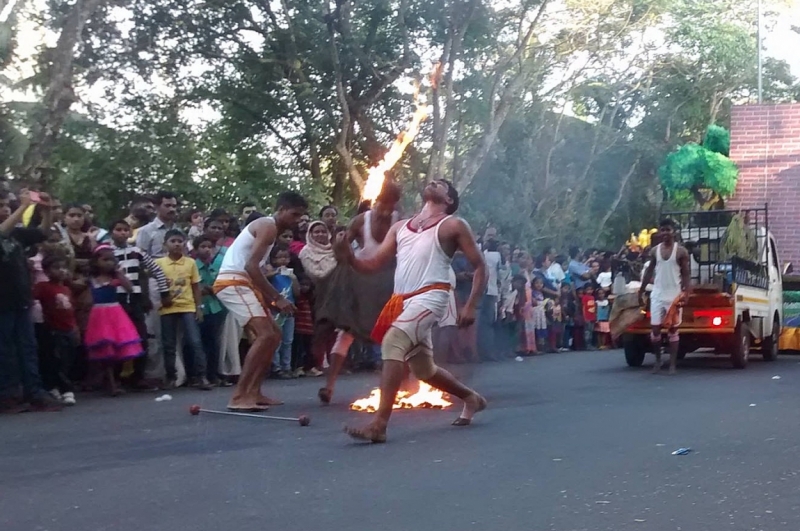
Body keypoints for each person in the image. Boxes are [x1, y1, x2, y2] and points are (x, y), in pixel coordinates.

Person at [334, 179, 487, 443]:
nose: (433, 182)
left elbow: (480, 267)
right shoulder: (400, 227)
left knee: (394, 342)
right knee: (424, 370)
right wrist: (347, 256)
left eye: (441, 184)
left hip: (432, 295)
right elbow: (371, 266)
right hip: (402, 301)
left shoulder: (453, 224)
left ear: (448, 200)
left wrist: (470, 304)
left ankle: (379, 425)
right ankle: (471, 398)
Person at [213, 192, 307, 411]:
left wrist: (272, 299)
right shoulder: (268, 226)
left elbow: (256, 269)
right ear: (281, 209)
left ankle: (254, 392)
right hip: (233, 282)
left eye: (300, 217)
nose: (296, 221)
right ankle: (238, 396)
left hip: (244, 284)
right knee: (266, 335)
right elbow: (251, 267)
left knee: (274, 335)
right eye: (294, 214)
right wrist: (277, 298)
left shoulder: (270, 229)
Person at [314, 181, 402, 404]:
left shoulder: (399, 222)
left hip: (387, 282)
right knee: (347, 332)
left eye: (390, 206)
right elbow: (340, 252)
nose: (385, 211)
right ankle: (329, 386)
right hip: (359, 280)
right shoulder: (361, 220)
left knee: (396, 334)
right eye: (382, 205)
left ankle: (397, 385)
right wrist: (340, 245)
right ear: (376, 201)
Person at [0, 190, 63, 413]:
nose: (5, 209)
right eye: (1, 206)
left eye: (7, 205)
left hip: (21, 299)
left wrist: (45, 211)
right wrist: (23, 207)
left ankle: (34, 392)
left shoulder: (17, 233)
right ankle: (8, 396)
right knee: (5, 350)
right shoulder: (7, 230)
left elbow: (42, 233)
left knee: (28, 348)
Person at [109, 219, 170, 389]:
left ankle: (138, 376)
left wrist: (164, 292)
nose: (122, 233)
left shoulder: (138, 252)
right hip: (115, 300)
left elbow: (157, 270)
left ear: (129, 232)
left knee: (140, 337)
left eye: (125, 230)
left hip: (135, 299)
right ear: (111, 232)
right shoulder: (107, 252)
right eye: (118, 229)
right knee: (118, 339)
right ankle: (116, 378)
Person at [84, 245, 145, 396]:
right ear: (96, 261)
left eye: (112, 260)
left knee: (116, 348)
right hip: (98, 315)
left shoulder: (115, 277)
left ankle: (113, 381)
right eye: (105, 260)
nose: (109, 263)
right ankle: (108, 381)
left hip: (115, 313)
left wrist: (120, 274)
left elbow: (130, 288)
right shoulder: (91, 279)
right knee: (105, 348)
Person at [155, 229, 212, 390]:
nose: (176, 244)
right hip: (167, 308)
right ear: (165, 244)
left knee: (195, 341)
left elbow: (195, 287)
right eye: (173, 241)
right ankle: (171, 377)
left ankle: (201, 376)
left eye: (180, 241)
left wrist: (199, 307)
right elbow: (151, 283)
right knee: (169, 344)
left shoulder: (190, 263)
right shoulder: (159, 264)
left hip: (187, 306)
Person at [639, 218, 691, 374]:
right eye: (663, 230)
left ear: (673, 231)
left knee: (673, 330)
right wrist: (641, 290)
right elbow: (649, 271)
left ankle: (672, 364)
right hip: (658, 294)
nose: (665, 233)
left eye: (668, 230)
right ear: (660, 232)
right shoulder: (654, 251)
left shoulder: (681, 251)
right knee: (655, 329)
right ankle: (658, 360)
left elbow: (686, 274)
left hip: (674, 295)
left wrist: (686, 292)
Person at [33, 253, 79, 405]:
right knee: (55, 360)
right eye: (56, 268)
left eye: (63, 268)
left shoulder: (66, 289)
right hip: (53, 329)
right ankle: (65, 389)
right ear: (46, 271)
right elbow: (32, 298)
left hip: (69, 329)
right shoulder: (43, 287)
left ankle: (58, 386)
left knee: (67, 360)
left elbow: (72, 311)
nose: (61, 271)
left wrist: (75, 328)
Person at [194, 234, 229, 386]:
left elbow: (220, 286)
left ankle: (213, 374)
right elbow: (195, 289)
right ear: (195, 249)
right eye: (203, 247)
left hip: (215, 307)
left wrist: (210, 289)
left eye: (209, 247)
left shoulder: (216, 266)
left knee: (214, 343)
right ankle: (197, 375)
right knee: (197, 342)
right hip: (199, 307)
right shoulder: (193, 266)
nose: (207, 250)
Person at [266, 245, 300, 379]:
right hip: (276, 310)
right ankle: (276, 366)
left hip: (289, 311)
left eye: (286, 257)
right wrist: (275, 272)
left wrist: (294, 279)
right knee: (276, 340)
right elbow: (265, 280)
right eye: (279, 257)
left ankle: (286, 366)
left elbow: (297, 293)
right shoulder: (272, 274)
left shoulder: (291, 275)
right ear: (273, 260)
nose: (283, 260)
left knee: (288, 340)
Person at [136, 191, 179, 259]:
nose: (172, 209)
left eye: (174, 206)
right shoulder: (146, 231)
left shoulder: (178, 230)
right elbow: (141, 257)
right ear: (157, 207)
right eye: (167, 205)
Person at [478, 239, 502, 361]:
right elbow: (499, 271)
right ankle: (488, 351)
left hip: (484, 290)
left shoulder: (484, 254)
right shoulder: (496, 255)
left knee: (482, 323)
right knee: (489, 322)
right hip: (491, 291)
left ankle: (483, 351)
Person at [530, 276, 548, 352]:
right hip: (535, 312)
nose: (539, 285)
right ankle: (535, 346)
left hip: (541, 313)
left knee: (541, 327)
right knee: (535, 327)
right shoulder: (532, 292)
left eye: (541, 283)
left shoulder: (541, 293)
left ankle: (541, 345)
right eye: (537, 283)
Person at [581, 284, 597, 350]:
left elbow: (594, 308)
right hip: (587, 317)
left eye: (591, 289)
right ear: (585, 290)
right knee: (587, 331)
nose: (590, 291)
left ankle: (590, 344)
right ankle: (587, 345)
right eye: (588, 289)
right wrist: (585, 318)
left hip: (592, 317)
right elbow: (584, 308)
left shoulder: (592, 297)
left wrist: (595, 316)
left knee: (591, 331)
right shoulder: (584, 297)